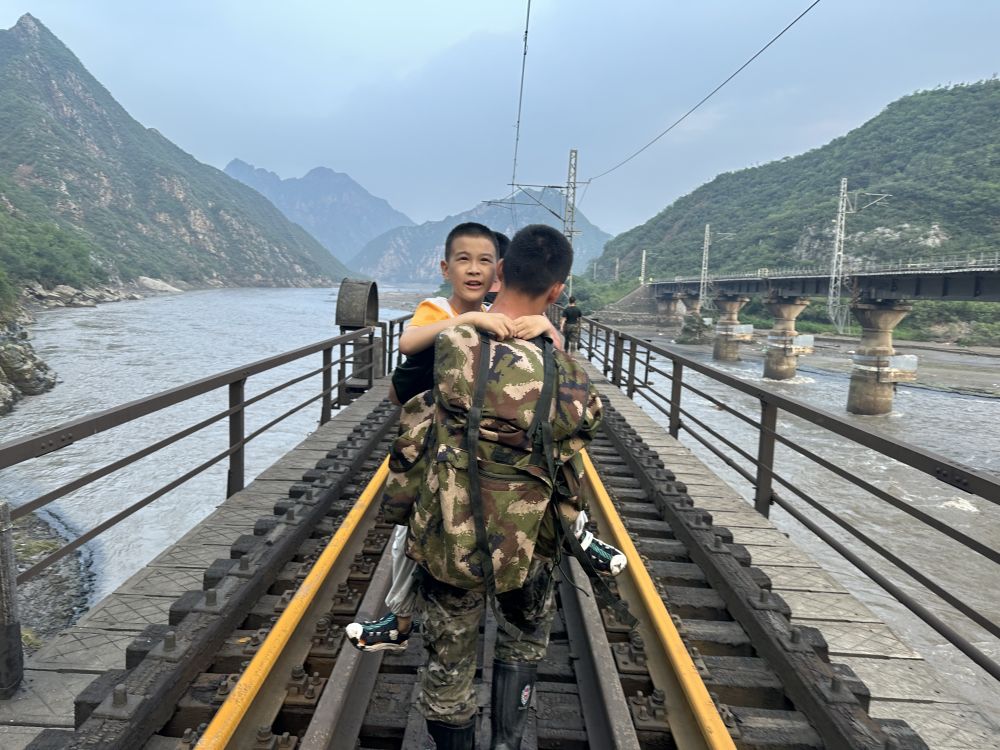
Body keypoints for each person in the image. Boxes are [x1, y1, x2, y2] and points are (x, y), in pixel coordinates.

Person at [407, 225, 609, 749]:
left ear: (499, 271)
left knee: (449, 663)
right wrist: (553, 340)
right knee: (521, 642)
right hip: (530, 540)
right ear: (557, 291)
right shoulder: (568, 373)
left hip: (451, 533)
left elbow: (404, 394)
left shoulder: (453, 344)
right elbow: (584, 423)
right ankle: (506, 743)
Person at [346, 222, 554, 654]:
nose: (473, 269)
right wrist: (468, 320)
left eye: (484, 261)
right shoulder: (437, 308)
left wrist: (543, 325)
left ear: (498, 272)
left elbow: (549, 355)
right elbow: (408, 343)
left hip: (475, 445)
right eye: (463, 260)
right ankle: (400, 618)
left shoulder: (501, 313)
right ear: (446, 268)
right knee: (411, 531)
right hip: (430, 444)